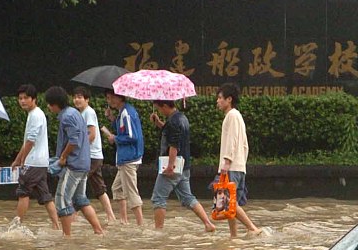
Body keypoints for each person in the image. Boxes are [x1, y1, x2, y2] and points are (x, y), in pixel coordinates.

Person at [149, 99, 216, 232]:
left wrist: (170, 166)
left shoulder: (173, 121)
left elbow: (174, 145)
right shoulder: (181, 118)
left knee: (158, 198)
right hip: (184, 167)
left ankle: (158, 231)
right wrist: (159, 123)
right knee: (187, 197)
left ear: (166, 106)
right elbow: (172, 135)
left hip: (173, 167)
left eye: (160, 108)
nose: (160, 111)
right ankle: (208, 224)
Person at [47, 86, 104, 236]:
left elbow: (74, 140)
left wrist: (63, 157)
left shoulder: (67, 116)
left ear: (54, 104)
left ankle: (67, 237)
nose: (48, 107)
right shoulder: (74, 113)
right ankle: (99, 231)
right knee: (80, 200)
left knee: (62, 200)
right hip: (83, 163)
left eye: (49, 104)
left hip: (74, 165)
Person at [214, 83, 262, 237]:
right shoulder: (236, 116)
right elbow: (244, 145)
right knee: (232, 204)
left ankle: (252, 228)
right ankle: (233, 235)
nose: (218, 101)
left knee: (230, 203)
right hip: (238, 166)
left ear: (229, 99)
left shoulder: (232, 116)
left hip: (232, 166)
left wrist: (227, 162)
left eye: (220, 98)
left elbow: (232, 140)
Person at [10, 84, 60, 230]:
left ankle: (16, 226)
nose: (22, 101)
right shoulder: (34, 114)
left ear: (34, 99)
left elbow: (30, 141)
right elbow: (27, 141)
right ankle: (57, 226)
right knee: (45, 196)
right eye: (20, 98)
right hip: (40, 162)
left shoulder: (36, 115)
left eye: (26, 98)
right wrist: (18, 160)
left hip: (34, 162)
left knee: (23, 192)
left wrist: (23, 160)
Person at [73, 86, 116, 224]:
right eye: (75, 97)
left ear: (87, 99)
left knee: (77, 183)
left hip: (90, 155)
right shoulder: (82, 113)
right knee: (99, 188)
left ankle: (71, 216)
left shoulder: (88, 112)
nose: (77, 100)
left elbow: (92, 134)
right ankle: (111, 216)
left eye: (80, 97)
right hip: (94, 155)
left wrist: (79, 149)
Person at [102, 90, 144, 225]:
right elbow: (123, 129)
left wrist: (115, 138)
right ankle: (124, 220)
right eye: (108, 98)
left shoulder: (127, 113)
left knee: (131, 192)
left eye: (112, 97)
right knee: (117, 188)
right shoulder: (122, 112)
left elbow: (132, 136)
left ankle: (140, 224)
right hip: (125, 158)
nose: (110, 101)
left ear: (120, 97)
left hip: (129, 158)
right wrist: (112, 119)